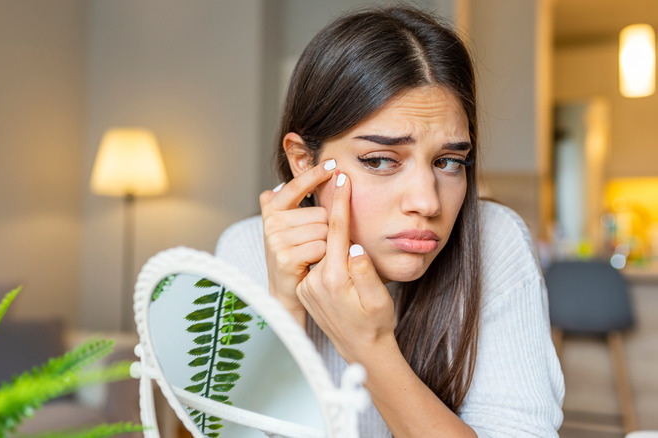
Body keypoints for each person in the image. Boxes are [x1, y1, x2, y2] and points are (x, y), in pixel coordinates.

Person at [216, 5, 564, 437]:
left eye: (449, 161)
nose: (427, 202)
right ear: (304, 161)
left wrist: (370, 347)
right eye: (380, 160)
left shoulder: (494, 241)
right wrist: (282, 314)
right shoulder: (246, 250)